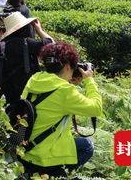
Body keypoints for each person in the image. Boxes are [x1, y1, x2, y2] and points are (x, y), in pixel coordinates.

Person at [19, 42, 103, 177]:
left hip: (24, 150)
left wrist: (68, 81)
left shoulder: (34, 79)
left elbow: (52, 98)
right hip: (44, 159)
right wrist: (89, 80)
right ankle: (57, 173)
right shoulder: (65, 91)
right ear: (68, 66)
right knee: (87, 146)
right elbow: (96, 108)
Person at [0, 12, 54, 103]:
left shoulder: (3, 45)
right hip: (26, 88)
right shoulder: (28, 43)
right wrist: (39, 30)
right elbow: (52, 45)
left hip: (8, 88)